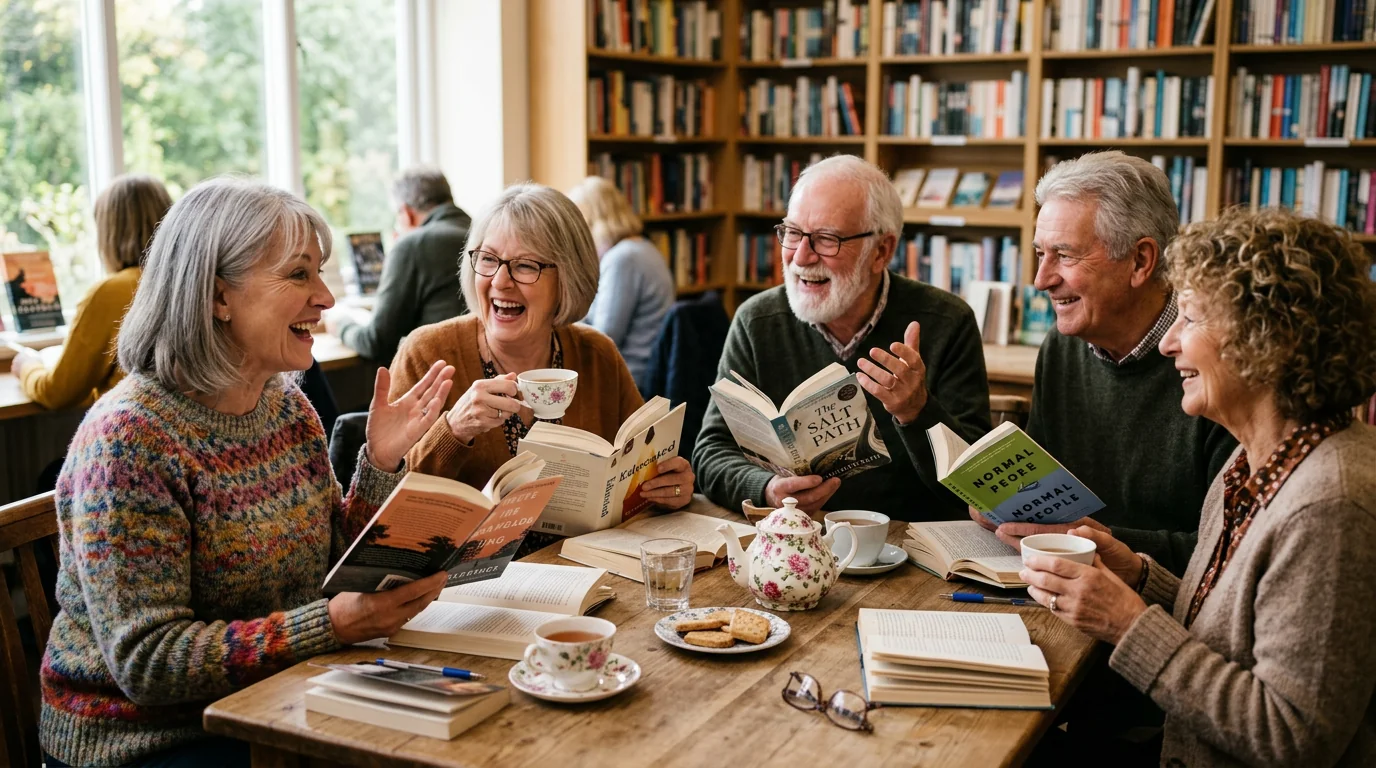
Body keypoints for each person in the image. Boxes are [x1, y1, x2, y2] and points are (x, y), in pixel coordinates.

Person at [39, 178, 458, 768]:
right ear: (219, 297)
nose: (325, 298)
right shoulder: (129, 441)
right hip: (147, 740)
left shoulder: (286, 407)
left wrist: (380, 463)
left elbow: (330, 567)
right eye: (298, 275)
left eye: (320, 273)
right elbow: (148, 663)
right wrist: (330, 626)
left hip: (278, 699)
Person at [1022, 208, 1376, 767]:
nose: (1169, 344)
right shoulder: (1249, 462)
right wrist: (1140, 575)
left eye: (1190, 319)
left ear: (1268, 339)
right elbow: (1232, 633)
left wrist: (1127, 624)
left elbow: (1292, 737)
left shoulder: (1329, 506)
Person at [388, 182, 696, 554]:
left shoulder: (597, 354)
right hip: (467, 580)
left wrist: (668, 487)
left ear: (567, 277)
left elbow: (644, 473)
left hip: (585, 569)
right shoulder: (428, 354)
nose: (500, 281)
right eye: (488, 260)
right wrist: (454, 430)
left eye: (525, 266)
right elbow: (387, 512)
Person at [974, 152, 1237, 574]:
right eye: (1040, 254)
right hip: (1056, 581)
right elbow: (1041, 492)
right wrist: (1006, 508)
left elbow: (1230, 550)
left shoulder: (1215, 363)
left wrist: (1103, 542)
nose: (1041, 280)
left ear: (1140, 261)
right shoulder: (1061, 347)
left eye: (1065, 255)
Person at [693, 155, 991, 521]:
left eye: (826, 239)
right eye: (792, 233)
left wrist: (917, 412)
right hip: (799, 537)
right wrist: (767, 489)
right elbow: (711, 452)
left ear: (881, 251)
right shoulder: (757, 321)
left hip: (913, 540)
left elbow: (982, 484)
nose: (801, 257)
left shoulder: (947, 322)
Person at [12, 174, 171, 409]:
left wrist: (27, 367)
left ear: (110, 232)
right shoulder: (188, 283)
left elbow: (58, 393)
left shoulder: (112, 292)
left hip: (129, 426)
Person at [324, 165, 471, 363]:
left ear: (406, 213)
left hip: (439, 373)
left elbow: (376, 342)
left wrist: (341, 326)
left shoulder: (413, 245)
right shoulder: (482, 232)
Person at [567, 175, 675, 391]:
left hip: (629, 379)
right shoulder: (644, 248)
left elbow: (603, 336)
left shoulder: (623, 259)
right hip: (646, 371)